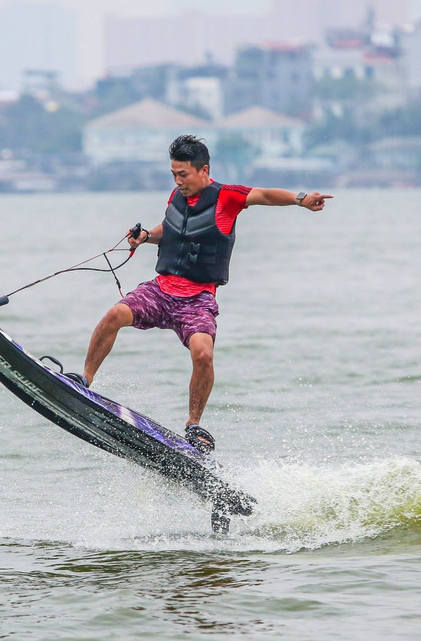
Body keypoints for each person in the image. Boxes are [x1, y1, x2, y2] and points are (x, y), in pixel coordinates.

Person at [69, 134, 331, 454]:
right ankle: (83, 382)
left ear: (204, 170)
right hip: (162, 290)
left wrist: (300, 198)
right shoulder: (177, 197)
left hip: (198, 298)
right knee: (113, 316)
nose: (178, 181)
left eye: (184, 174)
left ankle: (193, 425)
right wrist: (146, 236)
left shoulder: (227, 196)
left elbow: (263, 194)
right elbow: (173, 230)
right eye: (174, 175)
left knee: (203, 354)